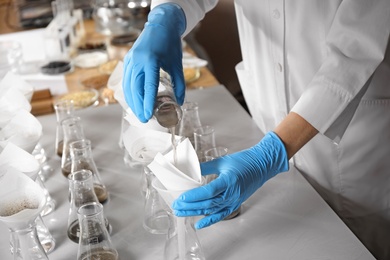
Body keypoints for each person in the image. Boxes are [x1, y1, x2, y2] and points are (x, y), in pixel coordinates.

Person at [122, 1, 390, 259]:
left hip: (350, 141)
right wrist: (167, 14)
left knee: (357, 246)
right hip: (267, 114)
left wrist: (271, 152)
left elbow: (355, 51)